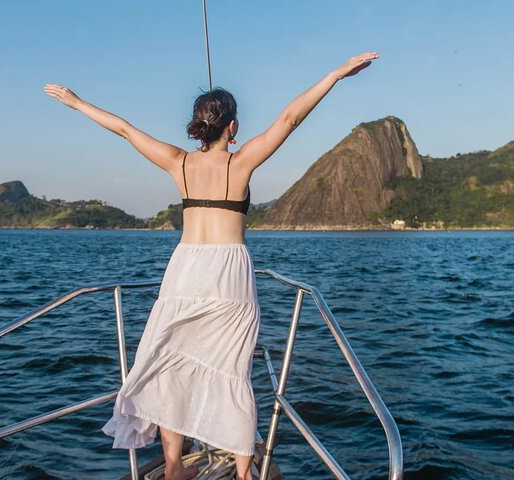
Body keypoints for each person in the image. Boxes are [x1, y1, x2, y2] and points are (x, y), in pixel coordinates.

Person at [44, 51, 378, 480]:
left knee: (170, 368)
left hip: (184, 271)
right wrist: (335, 74)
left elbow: (126, 130)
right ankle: (242, 473)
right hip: (228, 275)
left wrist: (76, 102)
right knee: (233, 370)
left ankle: (171, 469)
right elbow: (290, 119)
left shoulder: (178, 162)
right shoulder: (241, 163)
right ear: (233, 127)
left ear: (199, 125)